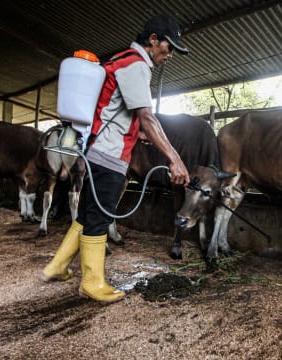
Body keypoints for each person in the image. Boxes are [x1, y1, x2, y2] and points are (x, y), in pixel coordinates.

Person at [41, 14, 191, 304]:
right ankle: (92, 282)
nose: (170, 54)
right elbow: (147, 117)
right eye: (169, 47)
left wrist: (138, 132)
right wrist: (175, 159)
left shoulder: (122, 60)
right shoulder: (136, 65)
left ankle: (57, 266)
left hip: (98, 150)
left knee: (86, 214)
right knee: (99, 217)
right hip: (109, 155)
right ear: (153, 40)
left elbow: (120, 112)